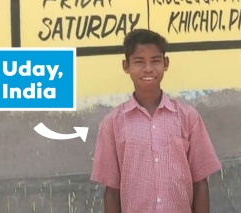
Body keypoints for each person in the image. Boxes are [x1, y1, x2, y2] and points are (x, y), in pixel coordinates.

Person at [90, 29, 222, 213]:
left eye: (155, 60)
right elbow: (112, 192)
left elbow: (200, 183)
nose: (148, 68)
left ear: (165, 63)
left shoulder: (188, 117)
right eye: (139, 62)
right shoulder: (112, 124)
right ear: (126, 66)